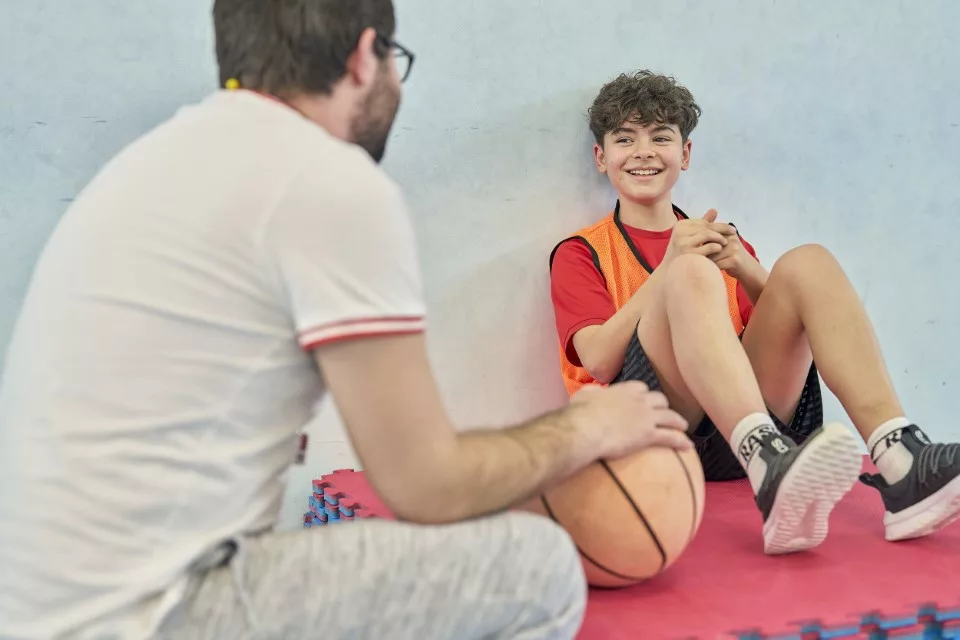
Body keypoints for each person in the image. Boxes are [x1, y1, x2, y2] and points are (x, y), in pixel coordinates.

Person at [0, 6, 695, 640]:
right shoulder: (327, 182)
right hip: (148, 614)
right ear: (367, 55)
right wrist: (587, 427)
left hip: (38, 604)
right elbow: (426, 486)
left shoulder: (152, 162)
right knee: (538, 567)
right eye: (395, 62)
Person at [549, 69, 960, 556]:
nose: (643, 152)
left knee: (809, 262)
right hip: (652, 437)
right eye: (625, 139)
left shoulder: (725, 240)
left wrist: (745, 267)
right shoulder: (579, 252)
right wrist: (669, 269)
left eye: (660, 137)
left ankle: (899, 459)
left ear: (685, 154)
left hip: (743, 429)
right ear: (602, 157)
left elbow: (798, 327)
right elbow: (595, 360)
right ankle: (767, 463)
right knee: (689, 275)